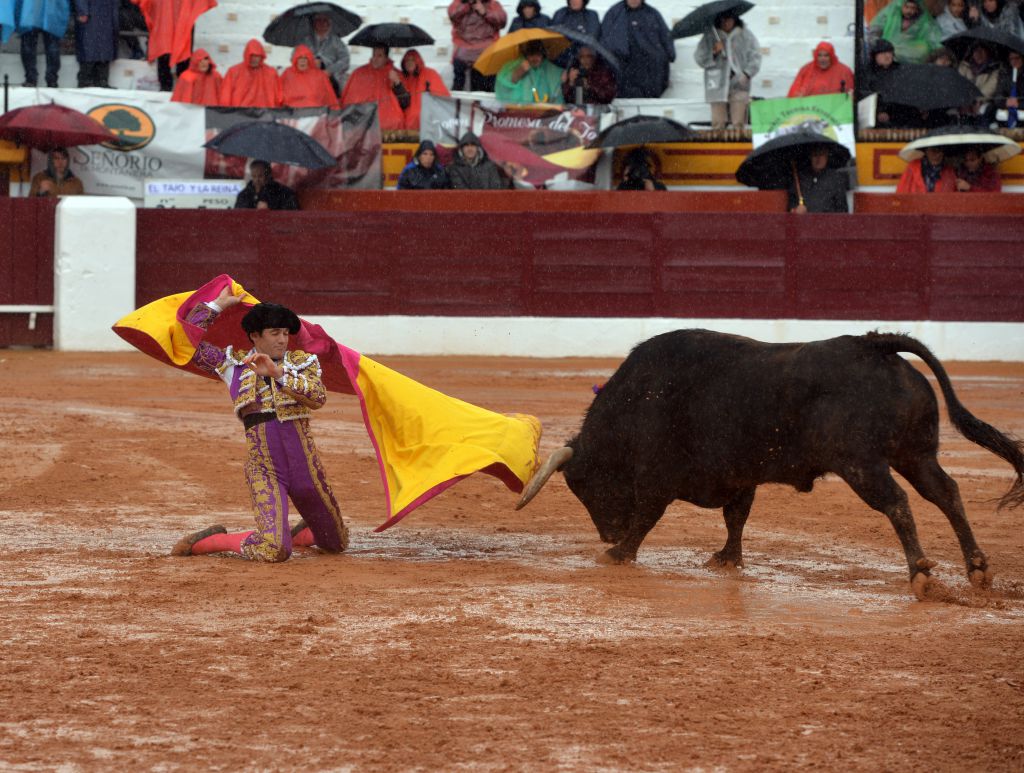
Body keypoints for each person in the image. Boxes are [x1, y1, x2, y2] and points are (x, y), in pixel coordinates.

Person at [170, 286, 348, 562]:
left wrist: (278, 374)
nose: (283, 340)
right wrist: (216, 306)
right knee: (274, 550)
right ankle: (212, 541)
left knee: (336, 544)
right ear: (255, 336)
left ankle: (300, 533)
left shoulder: (302, 362)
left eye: (286, 333)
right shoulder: (234, 365)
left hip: (307, 468)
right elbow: (186, 343)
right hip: (266, 468)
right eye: (275, 333)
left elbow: (318, 397)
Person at [694, 10, 761, 129]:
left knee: (738, 123)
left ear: (735, 19)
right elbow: (699, 58)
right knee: (718, 123)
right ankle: (718, 147)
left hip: (739, 84)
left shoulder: (746, 35)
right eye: (723, 19)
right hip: (716, 84)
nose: (726, 22)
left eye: (729, 19)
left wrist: (746, 74)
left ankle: (738, 147)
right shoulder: (710, 35)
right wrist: (714, 51)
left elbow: (755, 56)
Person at [132, 0, 216, 92]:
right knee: (167, 50)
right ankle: (172, 87)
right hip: (168, 14)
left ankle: (178, 87)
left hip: (177, 14)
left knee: (178, 49)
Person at [601, 0, 675, 98]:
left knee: (656, 64)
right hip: (624, 61)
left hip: (649, 62)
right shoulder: (614, 13)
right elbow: (604, 39)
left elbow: (665, 35)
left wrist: (670, 54)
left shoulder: (652, 13)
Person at [341, 46, 409, 132]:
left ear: (386, 58)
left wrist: (397, 83)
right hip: (363, 117)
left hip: (388, 120)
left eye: (379, 56)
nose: (375, 58)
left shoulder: (396, 74)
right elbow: (349, 100)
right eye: (374, 55)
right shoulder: (359, 73)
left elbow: (405, 102)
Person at [448, 0, 507, 91]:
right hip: (464, 49)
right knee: (458, 83)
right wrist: (467, 5)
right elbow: (452, 15)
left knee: (487, 85)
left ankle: (486, 103)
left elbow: (502, 21)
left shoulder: (492, 4)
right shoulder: (459, 3)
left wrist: (485, 12)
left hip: (486, 50)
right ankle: (456, 102)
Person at [13, 0, 69, 87]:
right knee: (52, 44)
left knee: (28, 43)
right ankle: (52, 80)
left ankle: (31, 79)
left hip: (30, 8)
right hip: (52, 7)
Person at [868, 0, 942, 64]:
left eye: (912, 8)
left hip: (910, 63)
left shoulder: (925, 21)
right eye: (906, 7)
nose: (909, 11)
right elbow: (874, 30)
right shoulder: (892, 10)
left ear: (917, 9)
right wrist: (879, 47)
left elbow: (934, 44)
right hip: (883, 51)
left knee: (923, 49)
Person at [495, 39, 564, 103]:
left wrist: (568, 79)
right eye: (531, 54)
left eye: (538, 54)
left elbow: (559, 85)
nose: (535, 58)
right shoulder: (517, 64)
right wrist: (520, 71)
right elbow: (504, 84)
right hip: (520, 111)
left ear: (543, 55)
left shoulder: (548, 68)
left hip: (544, 112)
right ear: (526, 55)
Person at [220, 38, 282, 107]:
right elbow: (225, 98)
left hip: (265, 115)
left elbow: (279, 97)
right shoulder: (233, 72)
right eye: (251, 55)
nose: (254, 59)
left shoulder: (271, 73)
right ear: (246, 54)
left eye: (257, 56)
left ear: (262, 56)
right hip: (241, 115)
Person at [399, 49, 450, 131]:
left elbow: (442, 96)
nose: (409, 62)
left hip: (426, 121)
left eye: (412, 60)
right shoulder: (401, 78)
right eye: (407, 60)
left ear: (417, 61)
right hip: (408, 123)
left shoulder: (430, 74)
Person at [788, 145, 849, 213]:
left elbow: (842, 209)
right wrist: (796, 209)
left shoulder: (836, 179)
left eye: (821, 155)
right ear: (810, 157)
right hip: (805, 222)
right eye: (815, 155)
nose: (818, 158)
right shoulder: (800, 179)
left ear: (827, 156)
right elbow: (791, 203)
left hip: (828, 221)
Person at [300, 12, 350, 95]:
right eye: (318, 20)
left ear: (329, 24)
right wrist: (310, 62)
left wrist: (329, 70)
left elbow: (345, 60)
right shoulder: (306, 41)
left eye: (325, 20)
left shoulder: (336, 41)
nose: (322, 23)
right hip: (309, 77)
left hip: (332, 79)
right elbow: (295, 58)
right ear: (313, 23)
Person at [74, 0, 119, 87]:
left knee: (104, 50)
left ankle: (102, 81)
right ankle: (85, 82)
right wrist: (83, 11)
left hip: (106, 13)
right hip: (93, 13)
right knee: (89, 50)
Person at [787, 41, 855, 98]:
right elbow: (794, 92)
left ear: (831, 56)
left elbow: (851, 95)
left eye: (826, 55)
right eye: (820, 55)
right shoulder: (806, 69)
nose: (823, 59)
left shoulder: (844, 71)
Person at [281, 44, 340, 108]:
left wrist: (335, 111)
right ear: (295, 60)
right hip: (292, 114)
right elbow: (278, 94)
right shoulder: (287, 74)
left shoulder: (320, 75)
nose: (302, 61)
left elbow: (330, 98)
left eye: (305, 58)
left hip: (314, 113)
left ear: (309, 60)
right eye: (299, 58)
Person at [957, 41, 1003, 123]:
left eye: (982, 51)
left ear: (987, 52)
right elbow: (958, 83)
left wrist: (978, 100)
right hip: (964, 102)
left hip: (983, 102)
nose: (979, 54)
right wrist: (964, 101)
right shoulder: (964, 66)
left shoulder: (994, 68)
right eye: (976, 51)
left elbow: (990, 87)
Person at [234, 160, 300, 210]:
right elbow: (239, 212)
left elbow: (291, 210)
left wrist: (270, 207)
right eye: (254, 176)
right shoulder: (244, 194)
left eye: (260, 176)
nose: (257, 179)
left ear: (268, 175)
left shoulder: (282, 192)